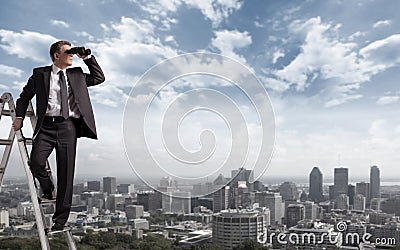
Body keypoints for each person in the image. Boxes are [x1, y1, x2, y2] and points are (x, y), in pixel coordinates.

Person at [12, 40, 105, 231]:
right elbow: (24, 96)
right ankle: (47, 189)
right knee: (36, 162)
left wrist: (87, 58)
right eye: (68, 52)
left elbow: (99, 78)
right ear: (56, 55)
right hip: (45, 127)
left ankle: (60, 221)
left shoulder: (77, 74)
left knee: (66, 174)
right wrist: (19, 117)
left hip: (68, 128)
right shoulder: (40, 74)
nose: (71, 55)